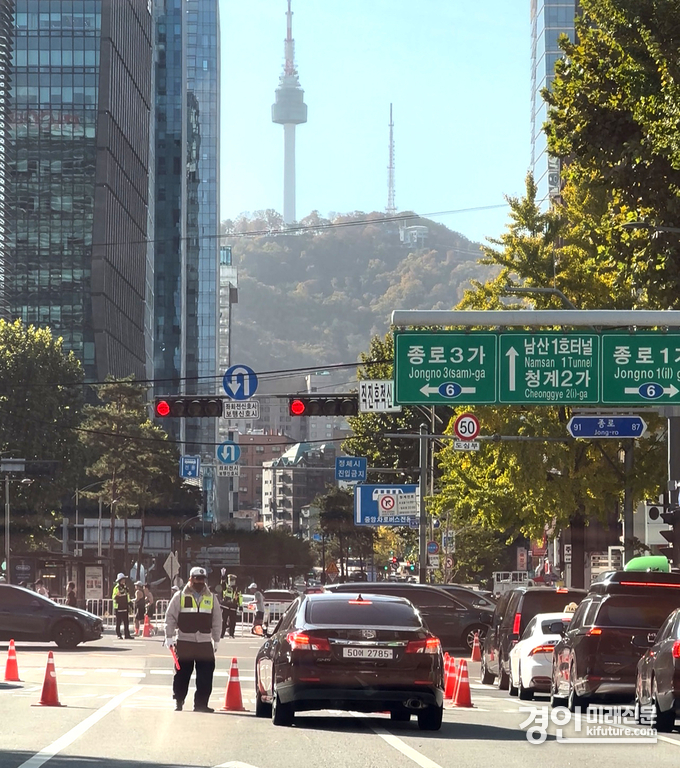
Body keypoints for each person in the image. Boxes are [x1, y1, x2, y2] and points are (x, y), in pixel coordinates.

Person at [164, 566, 222, 712]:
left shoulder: (211, 597)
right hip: (185, 640)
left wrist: (216, 639)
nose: (200, 582)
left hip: (204, 642)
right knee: (182, 674)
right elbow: (170, 617)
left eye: (203, 579)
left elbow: (217, 619)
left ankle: (201, 704)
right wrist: (169, 636)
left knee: (205, 676)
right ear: (190, 579)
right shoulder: (180, 596)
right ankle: (179, 701)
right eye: (197, 579)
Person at [112, 573, 133, 640]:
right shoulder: (116, 588)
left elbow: (127, 596)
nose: (124, 581)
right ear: (120, 580)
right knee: (118, 622)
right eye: (123, 579)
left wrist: (129, 603)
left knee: (126, 621)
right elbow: (114, 597)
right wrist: (119, 595)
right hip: (118, 607)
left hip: (125, 606)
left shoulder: (125, 587)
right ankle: (119, 634)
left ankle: (127, 634)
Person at [220, 574, 242, 639]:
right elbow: (222, 585)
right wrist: (223, 577)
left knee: (233, 622)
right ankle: (222, 634)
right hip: (226, 606)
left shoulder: (237, 588)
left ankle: (231, 634)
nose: (231, 581)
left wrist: (240, 605)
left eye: (232, 580)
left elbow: (240, 597)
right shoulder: (226, 587)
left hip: (233, 607)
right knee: (224, 621)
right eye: (230, 580)